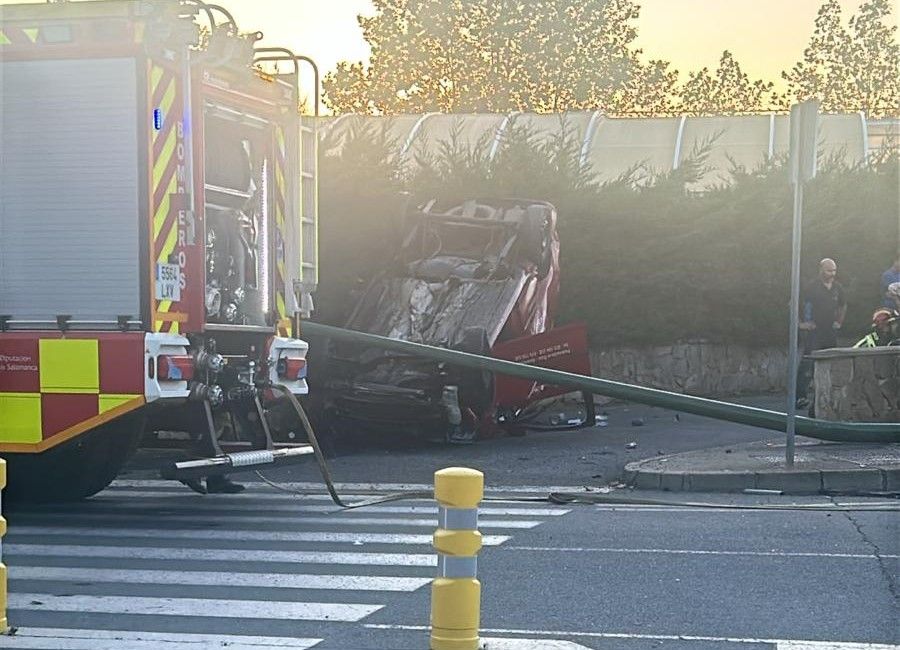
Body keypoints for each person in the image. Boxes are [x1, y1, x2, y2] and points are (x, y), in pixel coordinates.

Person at [796, 258, 847, 408]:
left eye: (834, 271)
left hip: (830, 331)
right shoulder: (812, 287)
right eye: (829, 270)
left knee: (831, 362)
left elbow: (843, 305)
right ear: (821, 270)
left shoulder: (837, 288)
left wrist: (839, 321)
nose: (832, 274)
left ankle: (829, 396)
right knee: (808, 363)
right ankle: (800, 397)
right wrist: (801, 324)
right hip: (815, 331)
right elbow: (796, 304)